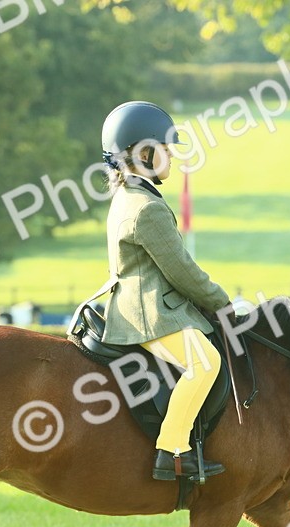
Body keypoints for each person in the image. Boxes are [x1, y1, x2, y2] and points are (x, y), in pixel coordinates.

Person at [98, 101, 232, 481]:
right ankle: (172, 450)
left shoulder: (130, 197)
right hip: (148, 313)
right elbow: (182, 271)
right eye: (165, 148)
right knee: (206, 363)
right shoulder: (146, 209)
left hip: (143, 303)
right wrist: (221, 302)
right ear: (143, 153)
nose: (171, 156)